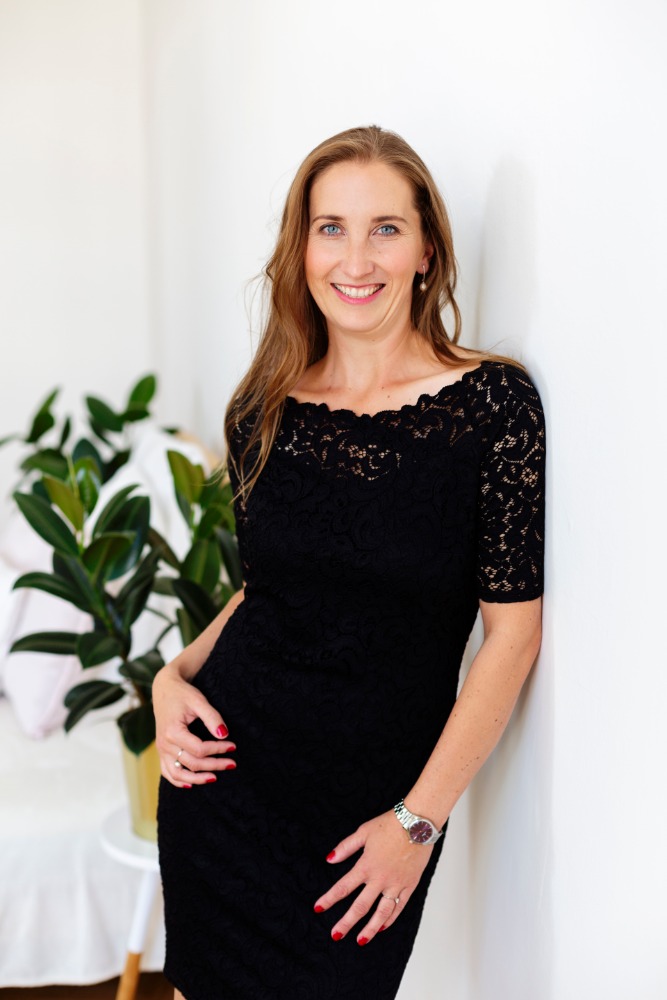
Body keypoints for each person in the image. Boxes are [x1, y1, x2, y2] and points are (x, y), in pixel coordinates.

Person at [154, 124, 545, 1000]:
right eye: (330, 227)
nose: (355, 258)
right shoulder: (262, 409)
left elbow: (512, 637)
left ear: (425, 250)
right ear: (301, 250)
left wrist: (417, 822)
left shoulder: (492, 405)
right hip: (227, 787)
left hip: (372, 815)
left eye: (385, 228)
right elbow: (266, 590)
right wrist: (170, 676)